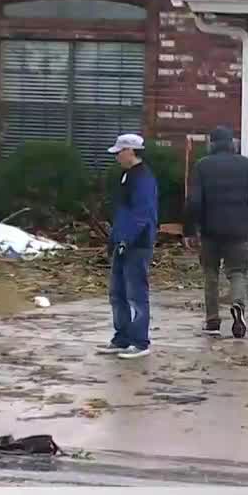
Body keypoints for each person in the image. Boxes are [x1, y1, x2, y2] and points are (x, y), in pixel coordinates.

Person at [184, 126, 248, 338]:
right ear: (233, 143)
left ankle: (212, 320)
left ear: (211, 143)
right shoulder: (245, 164)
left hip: (210, 230)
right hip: (238, 228)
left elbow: (193, 201)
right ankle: (238, 303)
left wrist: (189, 230)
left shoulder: (202, 166)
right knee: (238, 272)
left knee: (210, 273)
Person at [98, 133, 158, 359]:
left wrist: (126, 239)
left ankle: (140, 342)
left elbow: (141, 214)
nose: (116, 157)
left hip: (137, 244)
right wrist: (115, 238)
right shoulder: (127, 176)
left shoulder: (142, 178)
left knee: (136, 294)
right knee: (118, 293)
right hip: (123, 242)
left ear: (130, 151)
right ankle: (121, 338)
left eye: (119, 152)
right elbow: (124, 213)